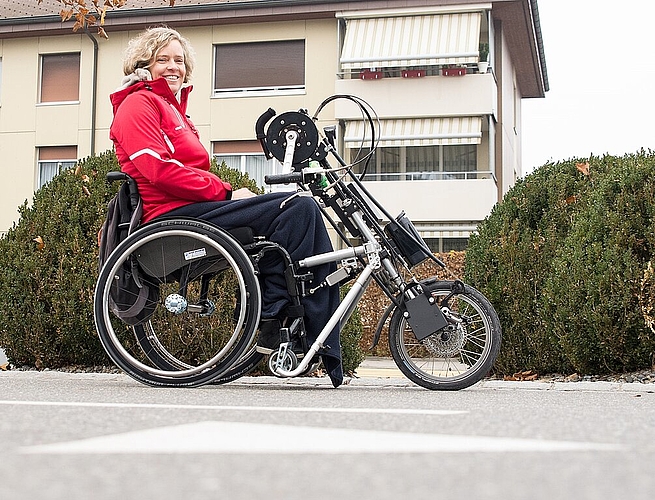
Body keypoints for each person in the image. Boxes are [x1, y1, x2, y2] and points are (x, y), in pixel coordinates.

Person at [109, 27, 343, 387]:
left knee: (301, 210)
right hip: (170, 217)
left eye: (179, 61)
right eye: (163, 60)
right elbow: (158, 169)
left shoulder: (175, 111)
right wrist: (226, 192)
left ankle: (306, 330)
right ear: (143, 65)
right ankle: (275, 319)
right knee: (296, 209)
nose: (174, 67)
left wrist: (228, 193)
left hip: (194, 208)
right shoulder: (137, 104)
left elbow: (189, 170)